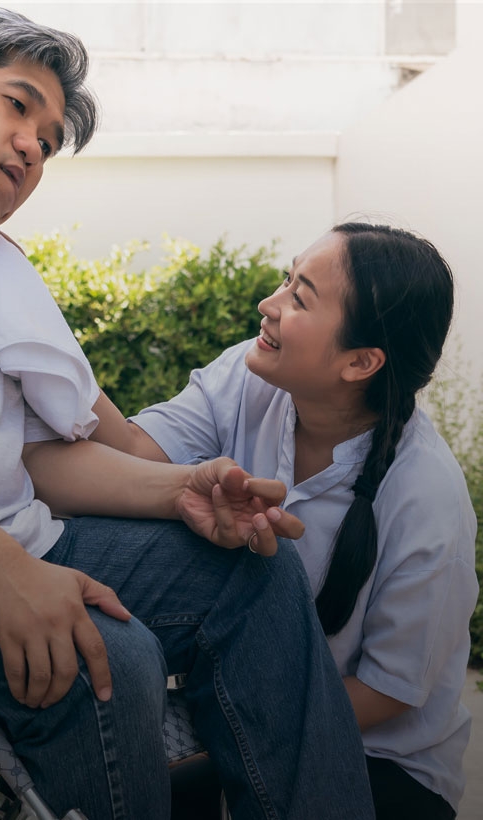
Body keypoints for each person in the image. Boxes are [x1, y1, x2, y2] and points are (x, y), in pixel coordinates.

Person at [0, 8, 376, 819]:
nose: (33, 146)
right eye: (18, 106)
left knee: (251, 574)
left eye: (49, 141)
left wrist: (182, 487)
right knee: (100, 656)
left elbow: (34, 461)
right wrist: (7, 571)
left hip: (1, 542)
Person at [92, 223, 479, 819]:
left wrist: (236, 723)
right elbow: (130, 456)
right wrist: (38, 340)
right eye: (285, 279)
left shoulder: (426, 498)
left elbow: (389, 692)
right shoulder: (247, 381)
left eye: (299, 298)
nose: (267, 306)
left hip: (380, 766)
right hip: (245, 718)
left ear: (361, 362)